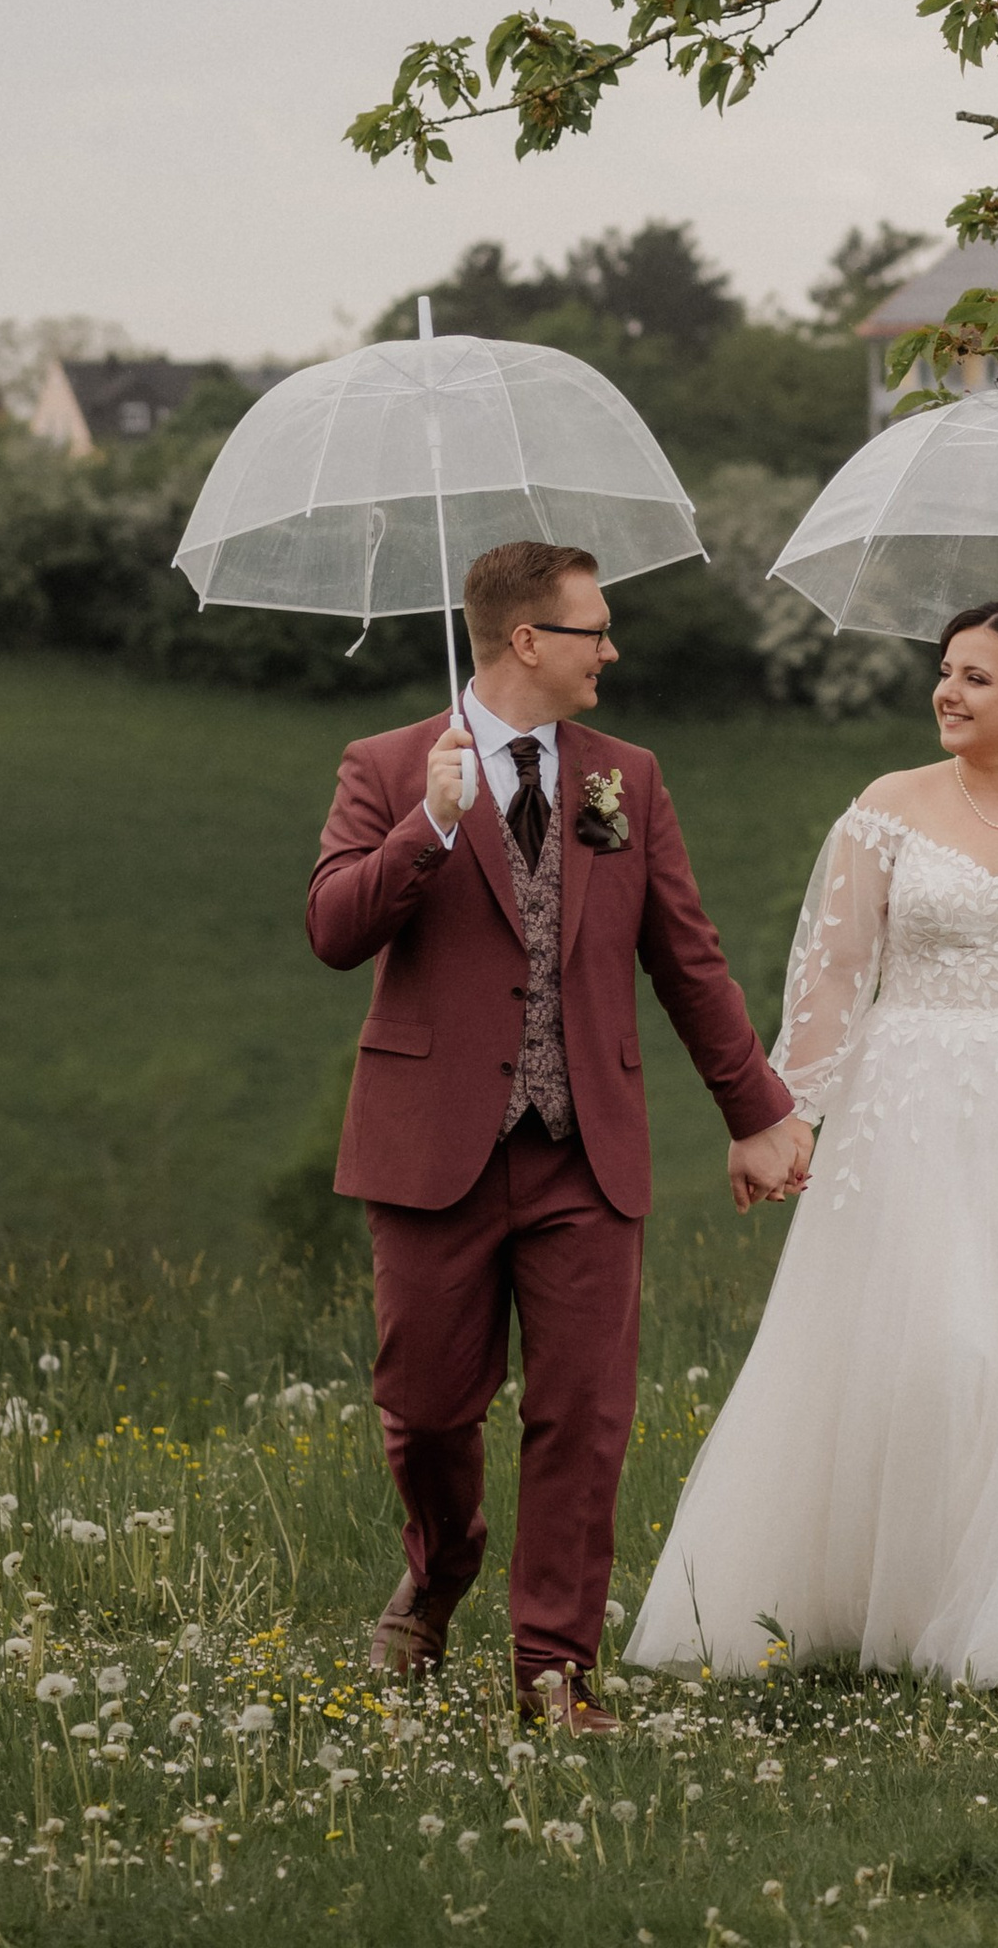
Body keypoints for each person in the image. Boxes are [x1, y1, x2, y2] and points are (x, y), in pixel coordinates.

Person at [627, 600, 998, 1686]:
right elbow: (834, 969)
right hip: (911, 1108)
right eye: (945, 671)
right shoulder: (884, 808)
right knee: (940, 1349)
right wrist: (788, 1112)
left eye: (976, 677)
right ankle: (888, 1597)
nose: (946, 691)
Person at [307, 536, 814, 1735]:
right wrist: (425, 829)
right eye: (593, 628)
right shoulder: (387, 765)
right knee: (426, 1405)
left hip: (586, 1147)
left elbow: (685, 955)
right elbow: (331, 928)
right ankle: (440, 1564)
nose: (612, 649)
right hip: (432, 1147)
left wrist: (757, 1111)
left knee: (583, 1415)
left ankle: (553, 1672)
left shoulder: (623, 776)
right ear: (527, 639)